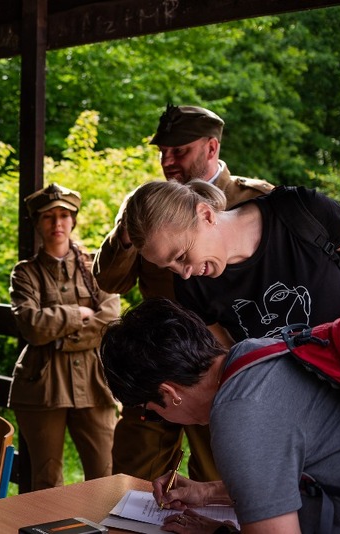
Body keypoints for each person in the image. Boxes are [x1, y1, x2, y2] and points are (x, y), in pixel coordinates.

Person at [93, 104, 273, 483]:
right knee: (131, 480)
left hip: (220, 371)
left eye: (179, 151)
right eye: (162, 152)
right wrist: (127, 233)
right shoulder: (146, 205)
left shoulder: (253, 201)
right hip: (155, 369)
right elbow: (109, 281)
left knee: (219, 476)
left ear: (211, 148)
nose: (167, 161)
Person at [99, 298, 340, 533]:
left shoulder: (239, 415)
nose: (162, 419)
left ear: (169, 393)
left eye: (154, 414)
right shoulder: (254, 354)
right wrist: (208, 492)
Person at [122, 179, 340, 345]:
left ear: (206, 215)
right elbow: (232, 358)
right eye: (169, 267)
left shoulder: (302, 210)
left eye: (181, 256)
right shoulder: (193, 287)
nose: (183, 274)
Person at [7, 184, 121, 490]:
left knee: (106, 472)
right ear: (38, 223)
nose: (57, 223)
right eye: (48, 217)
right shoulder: (25, 274)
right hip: (43, 384)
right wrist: (78, 314)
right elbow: (31, 324)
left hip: (93, 382)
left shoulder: (95, 265)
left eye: (64, 215)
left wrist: (58, 337)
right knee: (45, 479)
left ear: (73, 220)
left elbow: (111, 317)